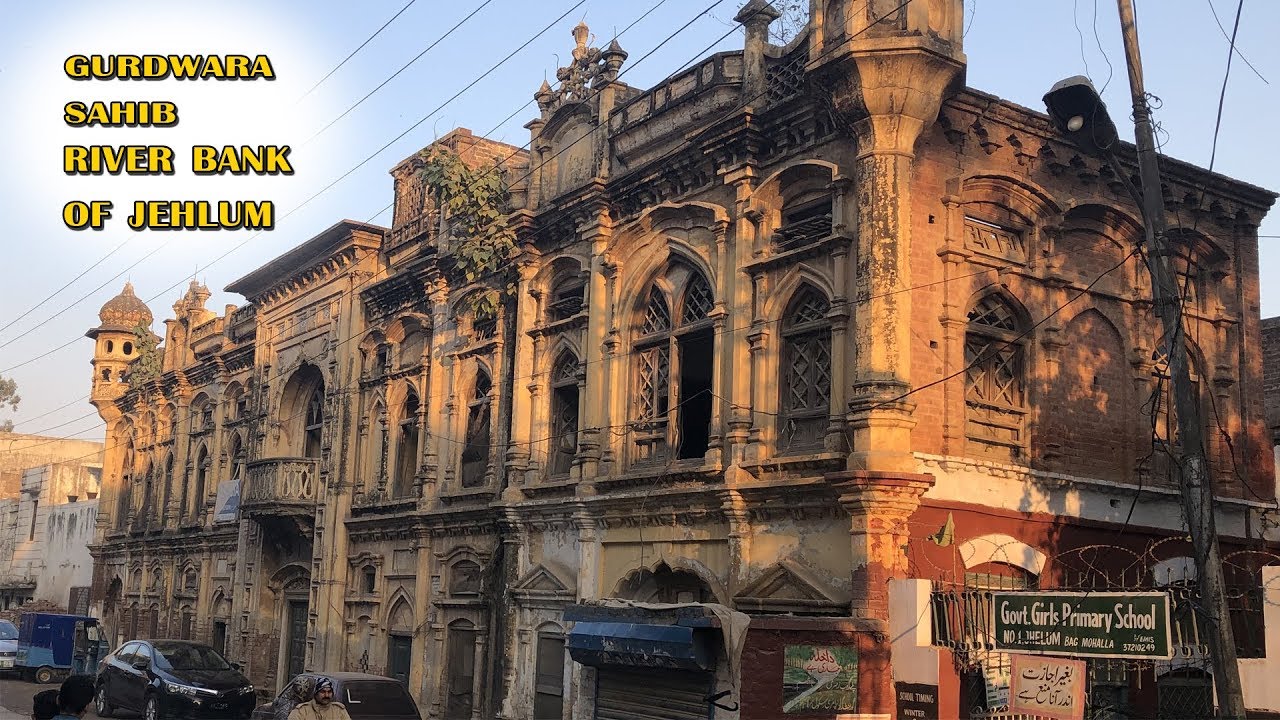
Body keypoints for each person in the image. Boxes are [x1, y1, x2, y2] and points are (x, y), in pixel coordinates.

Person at [287, 677, 352, 720]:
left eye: (329, 692)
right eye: (323, 692)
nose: (326, 695)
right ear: (316, 693)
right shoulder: (301, 711)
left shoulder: (339, 711)